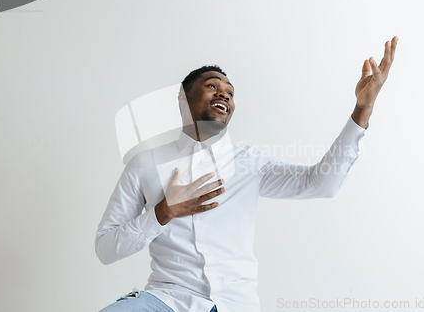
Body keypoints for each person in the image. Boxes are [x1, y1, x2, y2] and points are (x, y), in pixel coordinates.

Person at [95, 36, 399, 312]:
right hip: (167, 300)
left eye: (230, 92)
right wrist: (162, 212)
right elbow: (106, 249)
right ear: (182, 99)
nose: (224, 95)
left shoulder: (249, 162)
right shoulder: (145, 163)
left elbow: (322, 184)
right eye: (212, 86)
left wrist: (363, 110)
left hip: (236, 304)